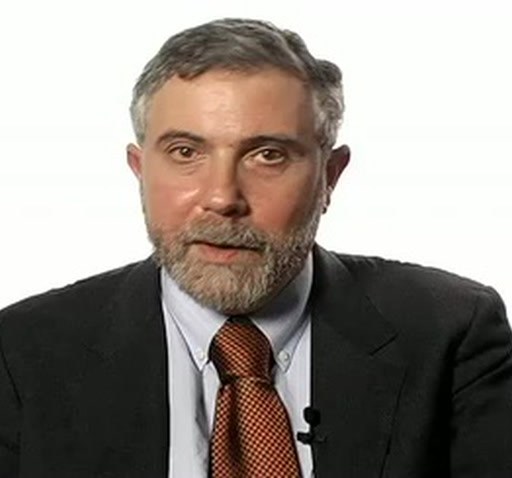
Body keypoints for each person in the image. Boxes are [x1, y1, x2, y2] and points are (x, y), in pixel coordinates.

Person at [0, 17, 511, 478]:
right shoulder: (21, 353)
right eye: (185, 152)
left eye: (268, 155)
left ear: (330, 177)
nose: (223, 198)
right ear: (139, 170)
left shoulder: (451, 333)